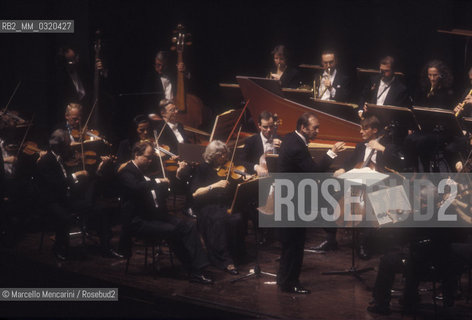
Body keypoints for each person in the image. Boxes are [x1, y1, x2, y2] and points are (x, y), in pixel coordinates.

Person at [117, 141, 212, 284]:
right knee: (173, 230)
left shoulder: (146, 170)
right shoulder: (127, 172)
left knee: (189, 226)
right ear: (136, 155)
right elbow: (137, 187)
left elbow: (163, 190)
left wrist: (177, 174)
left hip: (153, 215)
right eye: (148, 157)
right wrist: (157, 182)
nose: (150, 161)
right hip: (137, 221)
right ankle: (192, 271)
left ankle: (200, 266)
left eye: (151, 158)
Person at [277, 112, 345, 294]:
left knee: (289, 244)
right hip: (293, 201)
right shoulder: (297, 147)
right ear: (303, 128)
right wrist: (332, 153)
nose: (317, 131)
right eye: (314, 128)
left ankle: (283, 279)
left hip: (287, 199)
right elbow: (314, 172)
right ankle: (290, 283)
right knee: (295, 244)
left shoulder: (290, 137)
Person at [36, 129, 117, 260]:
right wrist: (76, 175)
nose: (70, 147)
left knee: (101, 209)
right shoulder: (46, 161)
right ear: (58, 145)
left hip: (66, 199)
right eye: (67, 145)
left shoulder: (61, 158)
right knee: (65, 218)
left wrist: (99, 168)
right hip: (51, 201)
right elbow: (55, 184)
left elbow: (72, 181)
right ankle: (59, 248)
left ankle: (106, 247)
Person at [190, 140, 246, 275]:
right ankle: (223, 259)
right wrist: (214, 186)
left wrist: (246, 178)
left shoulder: (227, 167)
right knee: (220, 220)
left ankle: (236, 254)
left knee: (237, 217)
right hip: (207, 206)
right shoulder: (202, 169)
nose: (225, 158)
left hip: (223, 204)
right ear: (213, 155)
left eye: (226, 154)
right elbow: (195, 193)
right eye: (222, 155)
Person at [239, 111, 282, 177]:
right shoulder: (251, 141)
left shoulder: (280, 139)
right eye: (265, 127)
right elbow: (241, 161)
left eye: (271, 126)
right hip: (259, 180)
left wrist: (284, 147)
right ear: (259, 125)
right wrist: (256, 167)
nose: (269, 130)